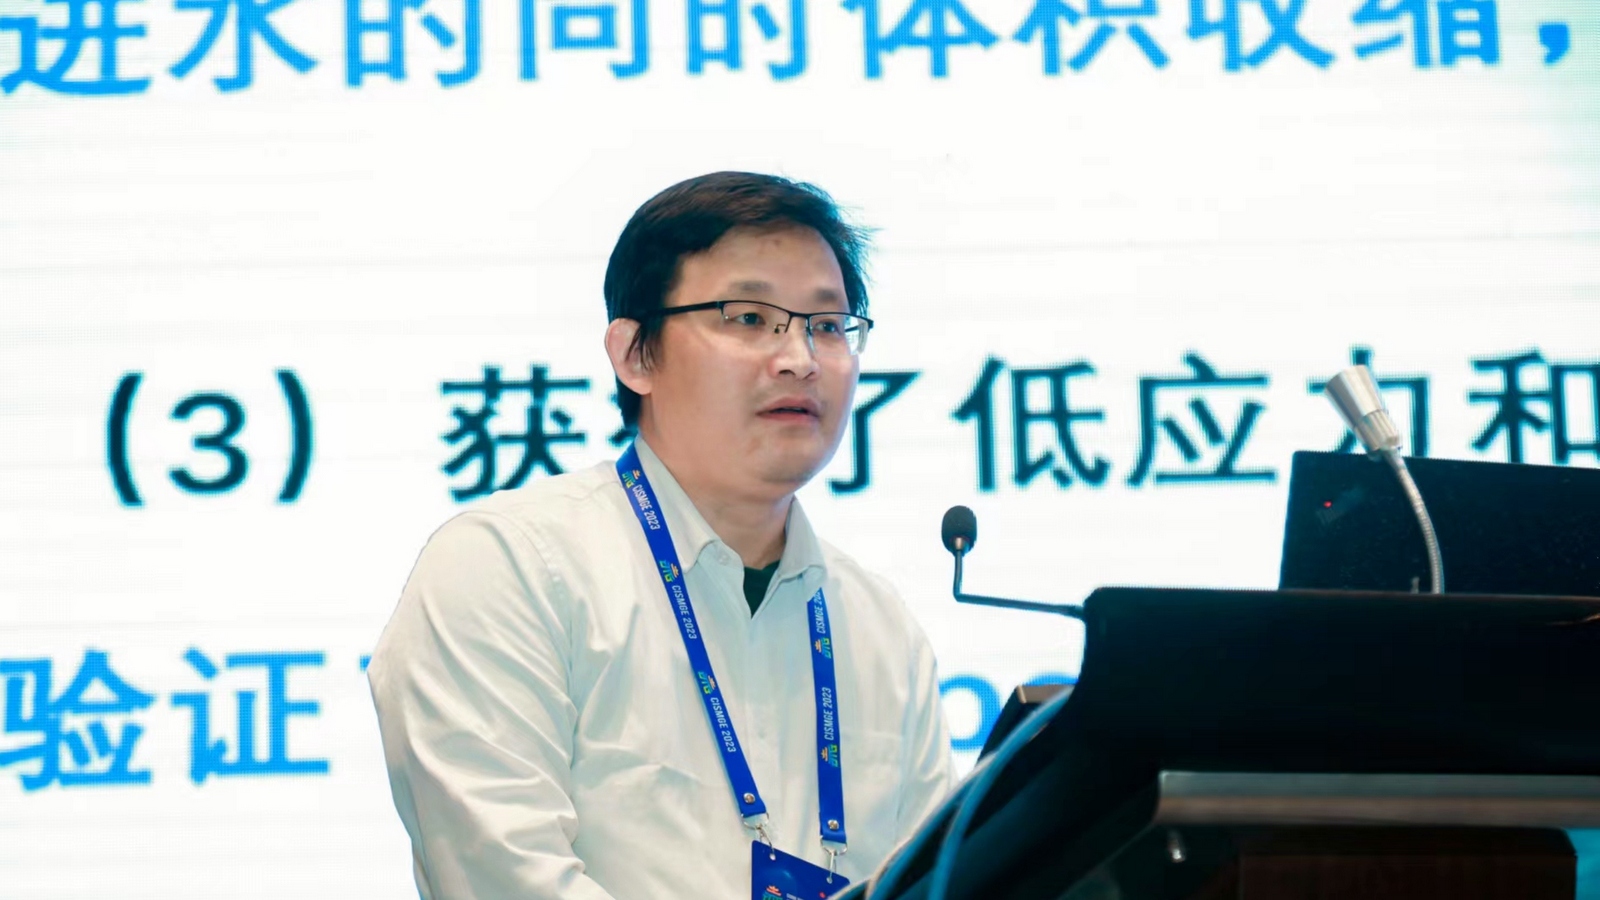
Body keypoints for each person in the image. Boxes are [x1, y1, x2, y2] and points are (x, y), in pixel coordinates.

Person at [367, 171, 954, 900]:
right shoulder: (510, 569)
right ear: (635, 355)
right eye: (749, 318)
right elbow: (506, 875)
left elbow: (944, 878)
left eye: (828, 326)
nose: (800, 358)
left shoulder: (879, 627)